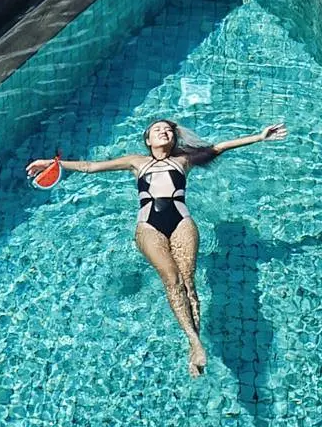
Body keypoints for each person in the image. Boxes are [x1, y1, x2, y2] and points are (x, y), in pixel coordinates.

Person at [26, 119, 288, 377]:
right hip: (148, 226)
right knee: (171, 279)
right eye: (157, 130)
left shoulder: (183, 160)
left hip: (182, 222)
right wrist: (53, 163)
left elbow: (219, 147)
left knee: (188, 282)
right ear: (148, 140)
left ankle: (194, 345)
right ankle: (195, 342)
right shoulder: (136, 162)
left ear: (174, 139)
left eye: (168, 130)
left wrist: (259, 136)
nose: (164, 132)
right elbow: (90, 166)